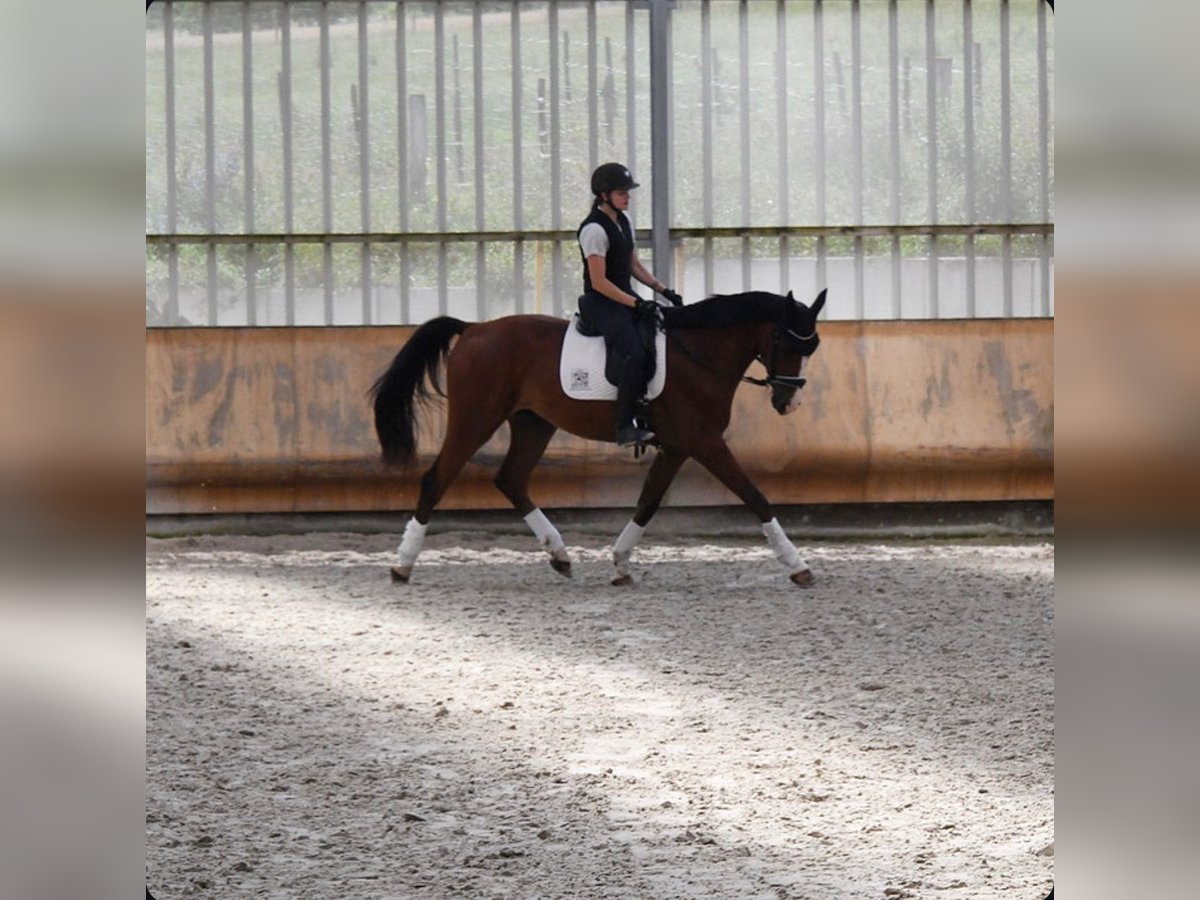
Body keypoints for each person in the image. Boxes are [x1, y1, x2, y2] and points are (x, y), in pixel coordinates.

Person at [577, 162, 683, 446]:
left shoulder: (624, 222)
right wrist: (637, 304)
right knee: (633, 354)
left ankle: (649, 412)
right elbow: (599, 282)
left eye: (628, 192)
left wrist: (663, 290)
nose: (628, 197)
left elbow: (633, 265)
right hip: (600, 303)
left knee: (656, 337)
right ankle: (623, 426)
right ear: (604, 195)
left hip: (622, 298)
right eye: (622, 193)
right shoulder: (594, 231)